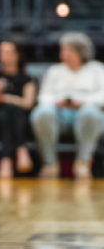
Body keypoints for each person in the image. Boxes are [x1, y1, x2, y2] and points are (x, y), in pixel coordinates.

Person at [31, 32, 104, 179]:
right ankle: (50, 164)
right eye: (62, 50)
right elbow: (43, 97)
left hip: (86, 114)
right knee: (41, 113)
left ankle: (83, 163)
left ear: (80, 51)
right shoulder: (55, 71)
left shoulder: (96, 69)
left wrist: (81, 102)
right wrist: (59, 101)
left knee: (91, 112)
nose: (63, 54)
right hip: (58, 115)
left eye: (67, 50)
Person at [0, 41, 36, 179]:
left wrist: (6, 97)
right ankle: (22, 150)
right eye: (1, 52)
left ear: (17, 55)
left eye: (8, 52)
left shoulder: (28, 79)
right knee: (6, 113)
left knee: (13, 111)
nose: (3, 56)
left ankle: (6, 161)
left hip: (21, 122)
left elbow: (28, 103)